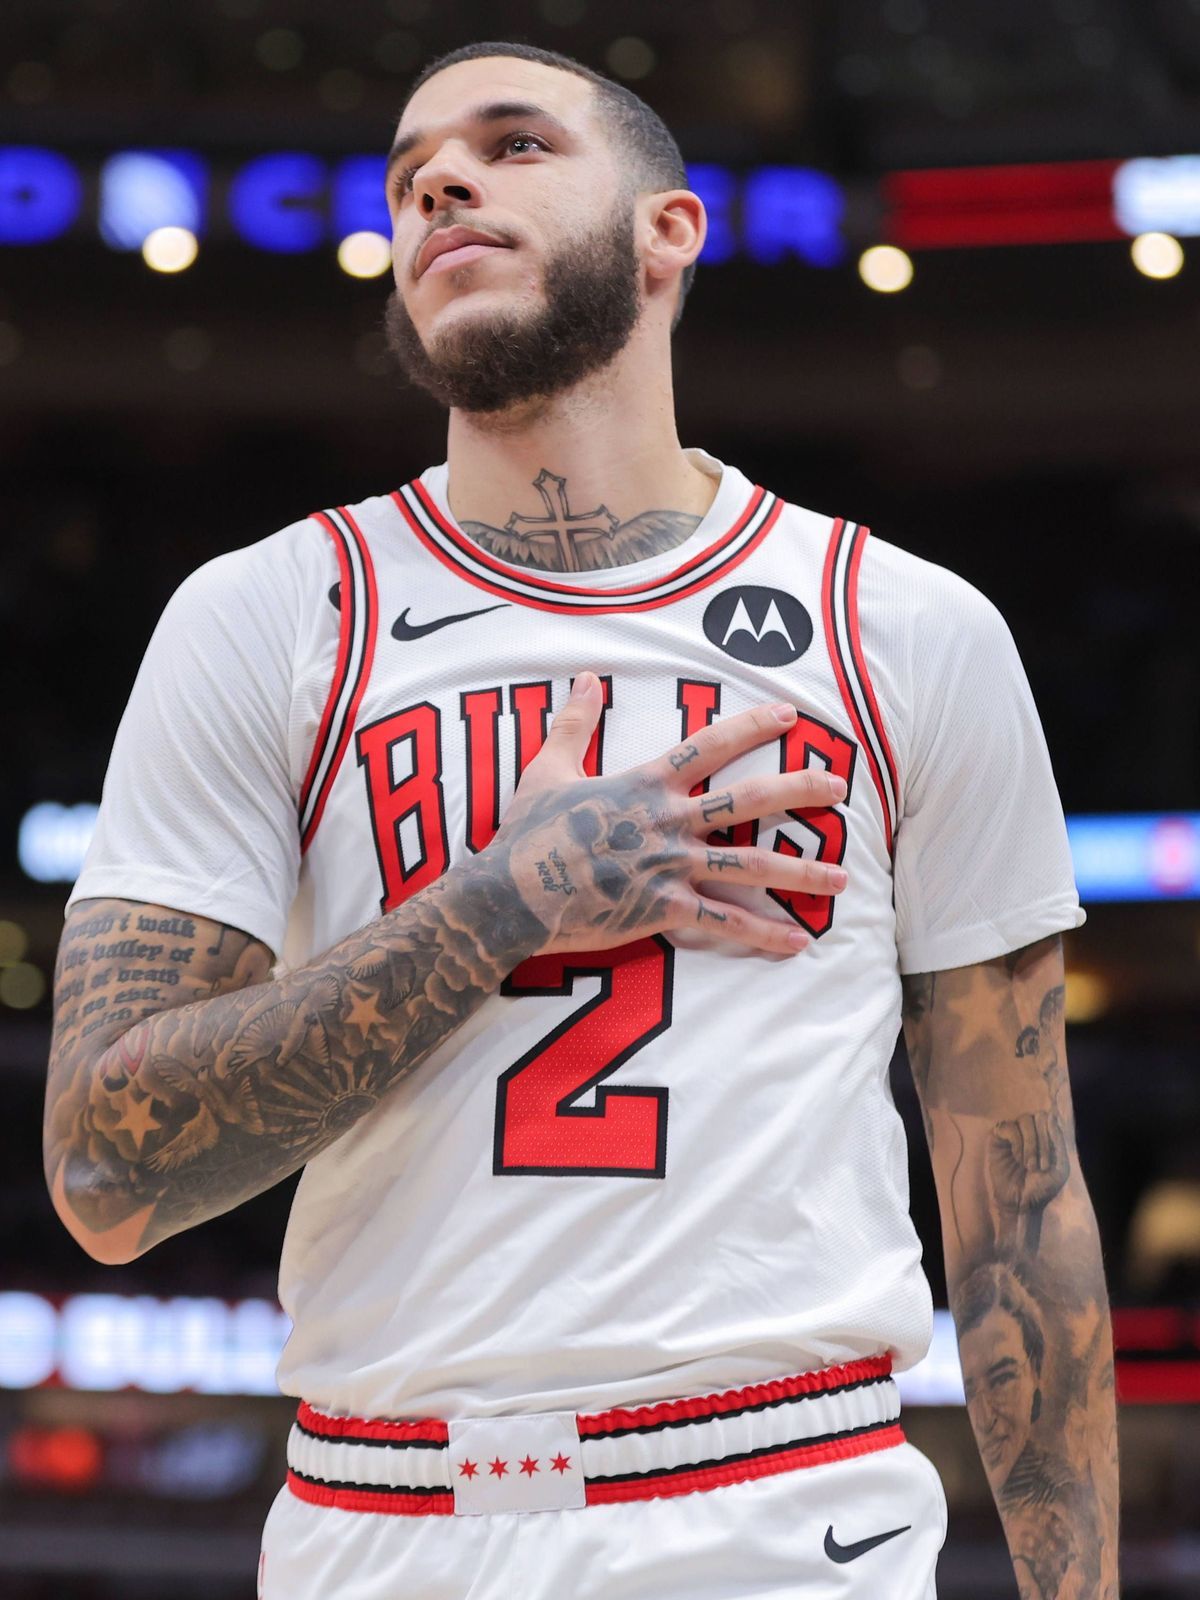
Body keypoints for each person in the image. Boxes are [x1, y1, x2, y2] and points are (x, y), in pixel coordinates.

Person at [44, 41, 1118, 1599]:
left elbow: (1019, 1207)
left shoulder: (905, 627)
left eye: (515, 144)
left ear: (669, 232)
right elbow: (103, 1174)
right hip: (376, 1517)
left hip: (776, 1510)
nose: (443, 184)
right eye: (413, 174)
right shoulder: (267, 615)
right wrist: (503, 902)